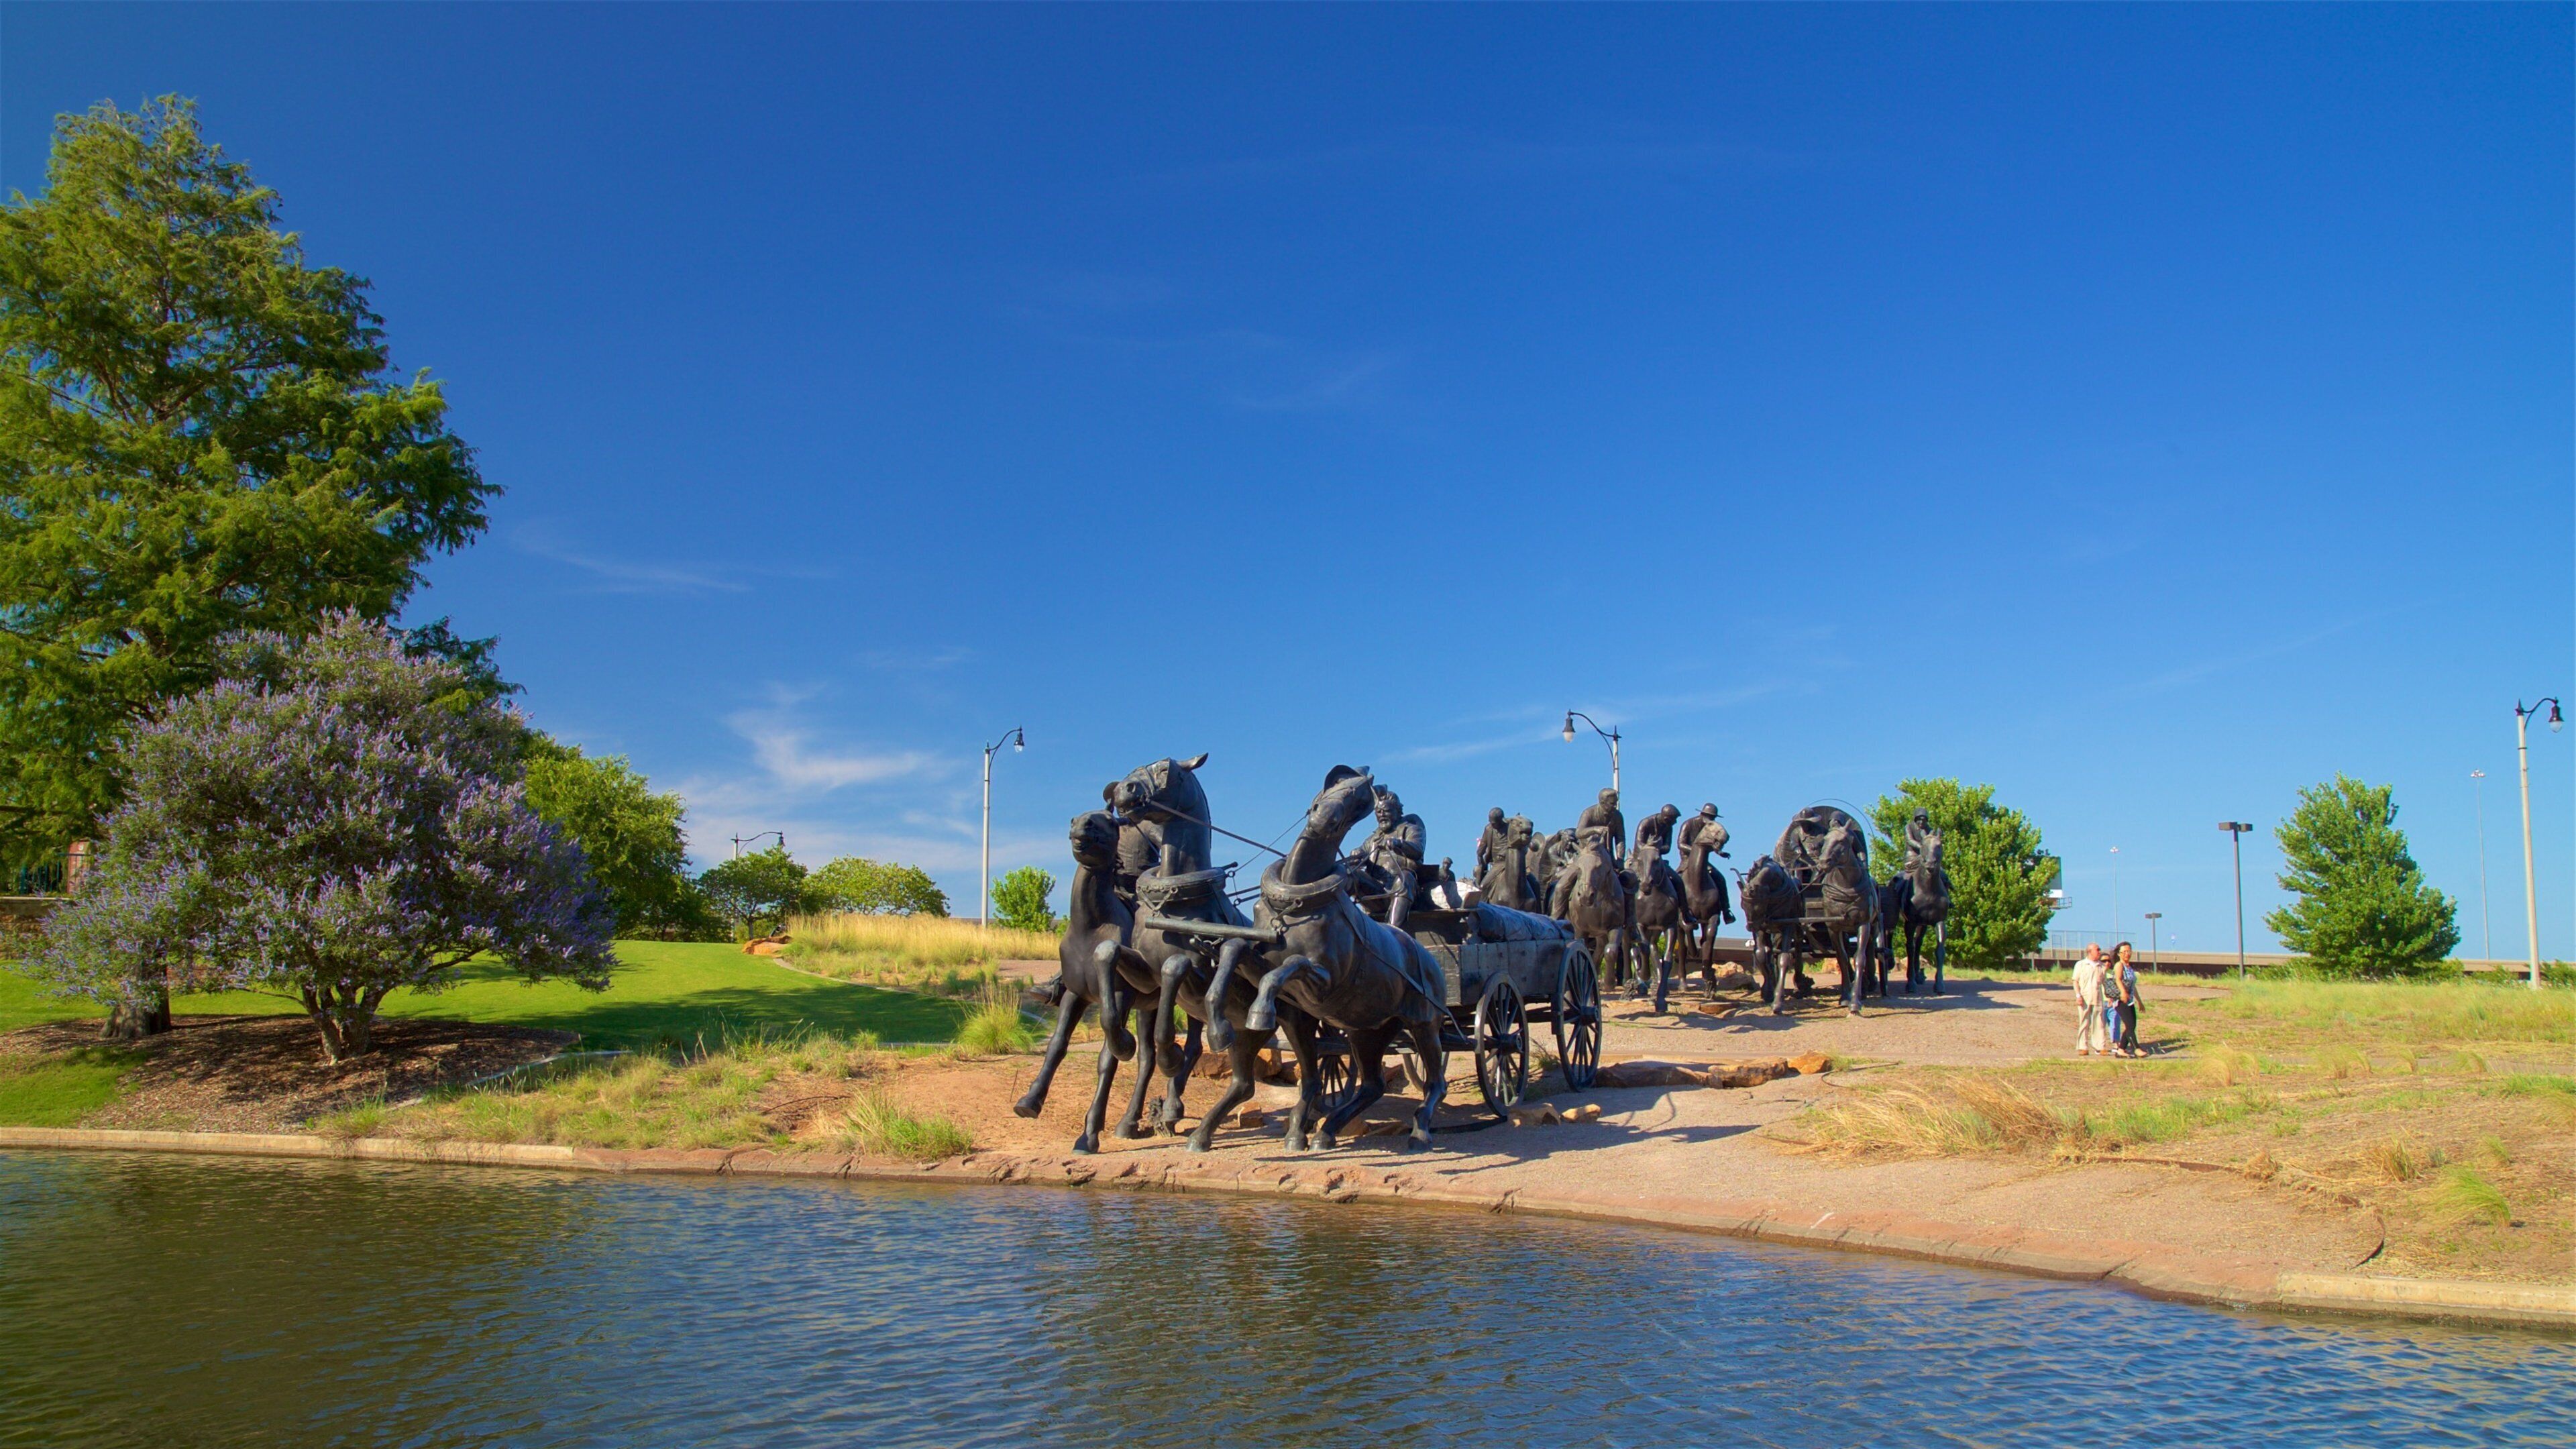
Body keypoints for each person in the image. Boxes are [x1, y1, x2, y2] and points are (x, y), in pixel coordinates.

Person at [1358, 786, 1426, 931]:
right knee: (1351, 875)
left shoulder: (1411, 830)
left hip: (1406, 893)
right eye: (1379, 812)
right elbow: (1362, 852)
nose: (1382, 815)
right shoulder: (1372, 840)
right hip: (1377, 893)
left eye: (1387, 811)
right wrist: (1356, 855)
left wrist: (1399, 844)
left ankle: (1393, 933)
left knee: (1405, 878)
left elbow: (1418, 850)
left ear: (1398, 811)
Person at [2071, 943, 2109, 1057]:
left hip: (2098, 997)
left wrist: (2109, 997)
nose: (2099, 951)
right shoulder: (2081, 964)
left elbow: (2105, 983)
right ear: (2090, 951)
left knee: (2099, 1023)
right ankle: (2083, 1047)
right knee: (2084, 1022)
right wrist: (2078, 996)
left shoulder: (2101, 966)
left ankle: (2100, 1047)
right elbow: (2075, 981)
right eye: (2097, 949)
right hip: (2085, 997)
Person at [2112, 941, 2142, 1057]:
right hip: (2121, 1000)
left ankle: (2121, 1050)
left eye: (2129, 951)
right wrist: (2123, 992)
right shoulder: (2119, 965)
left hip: (2129, 1001)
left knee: (2132, 1026)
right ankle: (2136, 1048)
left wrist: (2139, 1002)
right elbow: (2118, 979)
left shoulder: (2129, 967)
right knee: (2130, 1025)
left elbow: (2133, 986)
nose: (2127, 954)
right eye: (2124, 952)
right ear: (2119, 953)